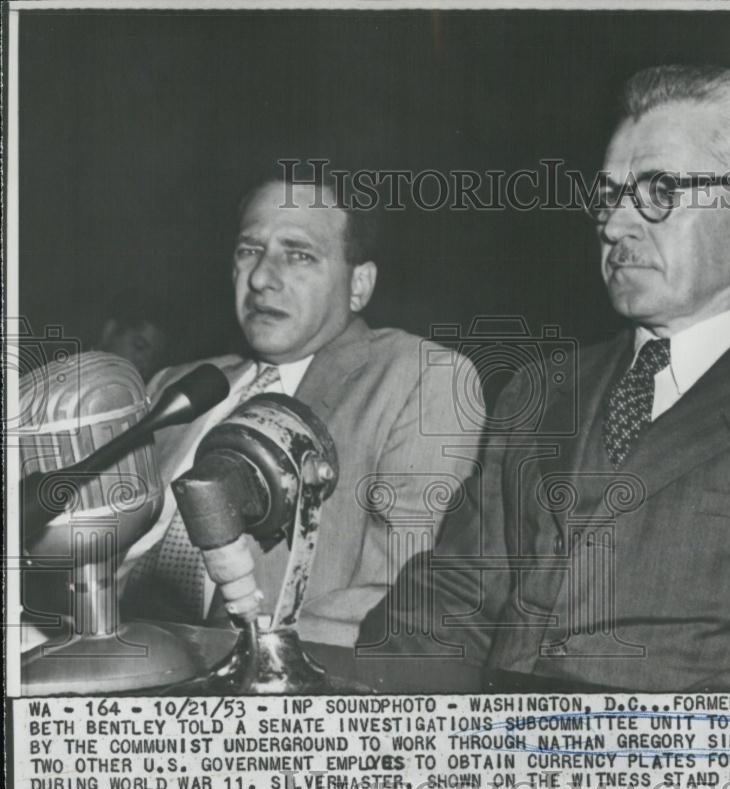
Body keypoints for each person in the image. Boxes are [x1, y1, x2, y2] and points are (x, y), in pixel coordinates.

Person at [361, 64, 730, 692]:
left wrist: (629, 751)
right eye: (608, 195)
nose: (615, 225)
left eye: (658, 192)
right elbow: (450, 597)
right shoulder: (540, 392)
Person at [120, 176, 478, 647]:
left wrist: (224, 656)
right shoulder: (174, 384)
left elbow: (396, 597)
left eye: (299, 254)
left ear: (359, 285)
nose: (262, 278)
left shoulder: (419, 379)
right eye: (249, 250)